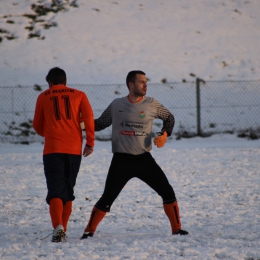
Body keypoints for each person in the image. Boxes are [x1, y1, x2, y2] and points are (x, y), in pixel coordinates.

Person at [80, 70, 188, 239]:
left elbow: (169, 118)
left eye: (146, 82)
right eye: (141, 82)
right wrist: (78, 125)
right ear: (131, 85)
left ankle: (177, 229)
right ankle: (89, 231)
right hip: (121, 161)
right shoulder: (117, 104)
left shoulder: (152, 103)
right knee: (107, 198)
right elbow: (100, 123)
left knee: (168, 192)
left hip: (144, 160)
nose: (145, 85)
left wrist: (165, 134)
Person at [33, 67, 95, 242]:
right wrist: (90, 141)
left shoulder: (43, 96)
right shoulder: (79, 94)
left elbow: (37, 125)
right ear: (65, 81)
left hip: (52, 149)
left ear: (50, 83)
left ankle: (58, 227)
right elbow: (88, 118)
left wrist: (51, 132)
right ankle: (63, 228)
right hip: (74, 150)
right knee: (68, 190)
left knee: (55, 191)